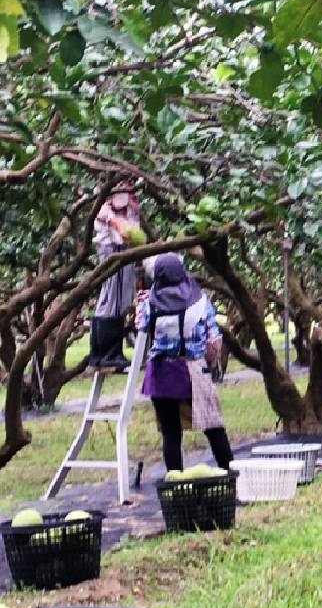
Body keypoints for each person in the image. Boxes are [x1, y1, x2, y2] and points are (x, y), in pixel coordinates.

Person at [136, 253, 233, 473]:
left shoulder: (151, 302)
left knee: (171, 434)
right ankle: (230, 474)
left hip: (162, 372)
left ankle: (175, 483)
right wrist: (211, 362)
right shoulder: (200, 300)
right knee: (213, 427)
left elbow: (141, 326)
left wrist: (140, 304)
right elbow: (214, 338)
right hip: (193, 370)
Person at [89, 186, 145, 368]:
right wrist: (119, 224)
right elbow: (119, 228)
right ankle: (109, 355)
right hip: (115, 252)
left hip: (121, 252)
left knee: (112, 301)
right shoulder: (106, 208)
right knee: (114, 302)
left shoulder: (127, 207)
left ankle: (102, 354)